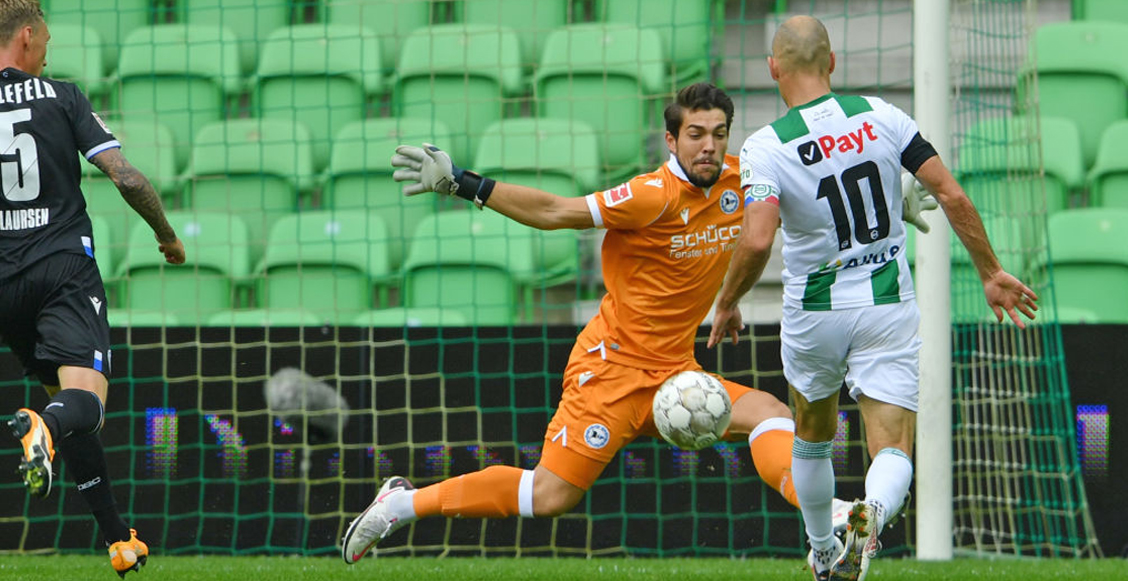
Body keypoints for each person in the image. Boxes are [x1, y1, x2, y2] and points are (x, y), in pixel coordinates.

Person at [341, 83, 859, 563]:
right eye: (695, 134)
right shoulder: (648, 196)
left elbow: (811, 200)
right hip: (610, 371)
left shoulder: (737, 184)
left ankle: (829, 515)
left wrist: (891, 204)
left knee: (769, 411)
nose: (708, 146)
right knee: (550, 495)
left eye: (719, 134)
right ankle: (401, 505)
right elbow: (554, 211)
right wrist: (464, 183)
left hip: (675, 373)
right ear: (671, 139)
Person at [708, 16, 1038, 581]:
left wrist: (729, 300)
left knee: (811, 435)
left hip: (815, 312)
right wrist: (990, 271)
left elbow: (759, 237)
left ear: (773, 69)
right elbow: (948, 193)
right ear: (831, 62)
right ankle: (873, 513)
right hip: (886, 302)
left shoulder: (765, 146)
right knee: (892, 448)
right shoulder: (884, 116)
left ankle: (822, 549)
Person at [0, 1, 185, 577]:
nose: (48, 50)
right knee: (84, 403)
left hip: (4, 284)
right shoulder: (63, 96)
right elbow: (125, 175)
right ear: (26, 37)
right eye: (46, 40)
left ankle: (117, 539)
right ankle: (43, 428)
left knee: (64, 391)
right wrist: (166, 234)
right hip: (62, 270)